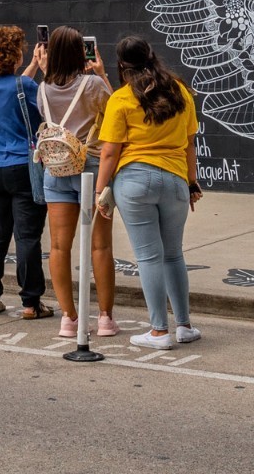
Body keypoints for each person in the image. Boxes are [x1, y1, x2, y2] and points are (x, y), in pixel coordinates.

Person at [95, 35, 202, 349]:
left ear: (121, 64)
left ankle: (158, 331)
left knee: (148, 257)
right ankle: (184, 326)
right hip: (175, 179)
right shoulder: (180, 91)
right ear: (151, 56)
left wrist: (100, 190)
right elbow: (190, 144)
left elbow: (109, 152)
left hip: (135, 181)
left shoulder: (122, 98)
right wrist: (192, 183)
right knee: (174, 254)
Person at [29, 26, 117, 339]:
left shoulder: (43, 88)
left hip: (56, 170)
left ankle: (69, 318)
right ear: (82, 52)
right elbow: (116, 113)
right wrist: (102, 73)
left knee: (58, 246)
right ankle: (105, 318)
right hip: (91, 169)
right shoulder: (93, 84)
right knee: (100, 245)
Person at [0, 25, 46, 318]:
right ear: (16, 55)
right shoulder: (26, 86)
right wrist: (42, 67)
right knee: (27, 236)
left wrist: (31, 66)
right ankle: (30, 303)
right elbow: (38, 99)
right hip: (21, 167)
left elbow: (14, 88)